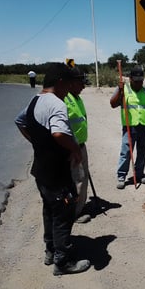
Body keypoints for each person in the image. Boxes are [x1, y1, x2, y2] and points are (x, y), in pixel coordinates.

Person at [15, 63, 90, 276]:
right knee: (63, 214)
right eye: (68, 84)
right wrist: (75, 149)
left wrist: (38, 142)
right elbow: (58, 133)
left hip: (41, 170)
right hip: (57, 171)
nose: (69, 89)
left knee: (49, 210)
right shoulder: (56, 104)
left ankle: (50, 251)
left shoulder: (34, 100)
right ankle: (62, 262)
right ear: (60, 82)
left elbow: (19, 121)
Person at [110, 65, 145, 189]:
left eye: (141, 81)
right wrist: (119, 89)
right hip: (130, 128)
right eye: (136, 81)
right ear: (130, 79)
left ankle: (139, 174)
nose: (139, 83)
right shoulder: (124, 89)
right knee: (126, 152)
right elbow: (113, 104)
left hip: (144, 127)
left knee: (142, 152)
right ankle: (121, 176)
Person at [64, 67, 91, 223]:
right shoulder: (65, 99)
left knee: (81, 177)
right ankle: (74, 214)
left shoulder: (77, 98)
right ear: (71, 83)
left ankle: (78, 207)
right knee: (78, 179)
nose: (84, 86)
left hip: (80, 145)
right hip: (72, 148)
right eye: (81, 83)